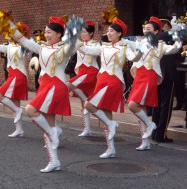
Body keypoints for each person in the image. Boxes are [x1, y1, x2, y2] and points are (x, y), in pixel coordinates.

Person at [9, 16, 73, 172]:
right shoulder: (42, 47)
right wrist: (9, 25)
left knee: (30, 110)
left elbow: (72, 47)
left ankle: (53, 132)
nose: (47, 35)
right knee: (48, 125)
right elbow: (23, 40)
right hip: (45, 86)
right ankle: (55, 161)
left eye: (50, 32)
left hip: (56, 86)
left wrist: (74, 33)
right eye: (46, 32)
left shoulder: (64, 48)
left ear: (59, 34)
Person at [77, 18, 142, 158]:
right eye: (108, 30)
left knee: (88, 105)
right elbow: (87, 50)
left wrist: (141, 50)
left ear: (119, 34)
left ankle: (111, 125)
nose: (109, 33)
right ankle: (110, 147)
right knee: (106, 113)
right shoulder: (104, 46)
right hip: (101, 80)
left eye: (112, 31)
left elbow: (134, 59)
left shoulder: (124, 48)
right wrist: (73, 39)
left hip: (113, 81)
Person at [127, 16, 181, 150]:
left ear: (156, 32)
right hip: (138, 77)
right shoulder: (139, 42)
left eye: (149, 29)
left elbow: (174, 49)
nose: (145, 31)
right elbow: (127, 45)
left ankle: (150, 125)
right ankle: (145, 142)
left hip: (149, 76)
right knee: (142, 109)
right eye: (144, 28)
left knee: (132, 105)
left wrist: (179, 35)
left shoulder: (161, 45)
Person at [0, 22, 31, 138]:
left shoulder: (23, 47)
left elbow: (26, 55)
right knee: (14, 103)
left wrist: (24, 43)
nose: (11, 33)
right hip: (12, 75)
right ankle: (19, 129)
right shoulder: (10, 46)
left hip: (18, 76)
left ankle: (18, 111)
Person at [67, 20, 100, 137]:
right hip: (81, 72)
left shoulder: (96, 44)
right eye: (81, 32)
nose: (82, 34)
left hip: (91, 72)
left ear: (91, 34)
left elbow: (91, 52)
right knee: (83, 101)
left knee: (69, 84)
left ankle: (88, 102)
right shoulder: (81, 44)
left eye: (85, 32)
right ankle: (87, 128)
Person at [151, 17, 176, 143]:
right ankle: (161, 134)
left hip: (158, 74)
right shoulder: (165, 35)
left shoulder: (156, 38)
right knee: (166, 106)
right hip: (168, 74)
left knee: (158, 105)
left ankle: (155, 132)